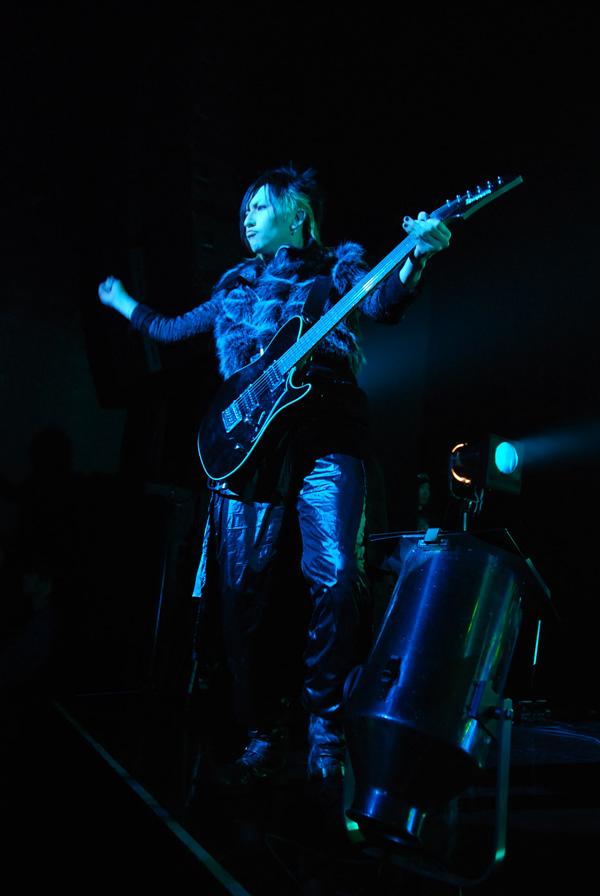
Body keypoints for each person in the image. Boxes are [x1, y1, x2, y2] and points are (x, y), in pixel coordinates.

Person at [98, 166, 450, 791]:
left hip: (327, 434)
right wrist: (124, 302)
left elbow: (382, 304)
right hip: (248, 450)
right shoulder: (235, 286)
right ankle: (263, 733)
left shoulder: (338, 269)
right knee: (244, 599)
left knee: (338, 579)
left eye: (261, 206)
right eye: (244, 210)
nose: (248, 217)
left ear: (298, 214)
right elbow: (171, 330)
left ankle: (327, 735)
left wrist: (414, 259)